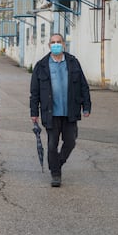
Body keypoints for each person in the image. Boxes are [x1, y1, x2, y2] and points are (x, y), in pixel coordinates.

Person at [30, 33, 91, 187]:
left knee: (70, 142)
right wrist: (34, 113)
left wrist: (87, 106)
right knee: (52, 145)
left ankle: (56, 163)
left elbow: (83, 86)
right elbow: (34, 92)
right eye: (53, 42)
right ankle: (56, 174)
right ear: (49, 45)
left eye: (58, 42)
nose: (56, 44)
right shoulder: (41, 65)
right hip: (50, 112)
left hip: (70, 111)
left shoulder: (73, 62)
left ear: (64, 44)